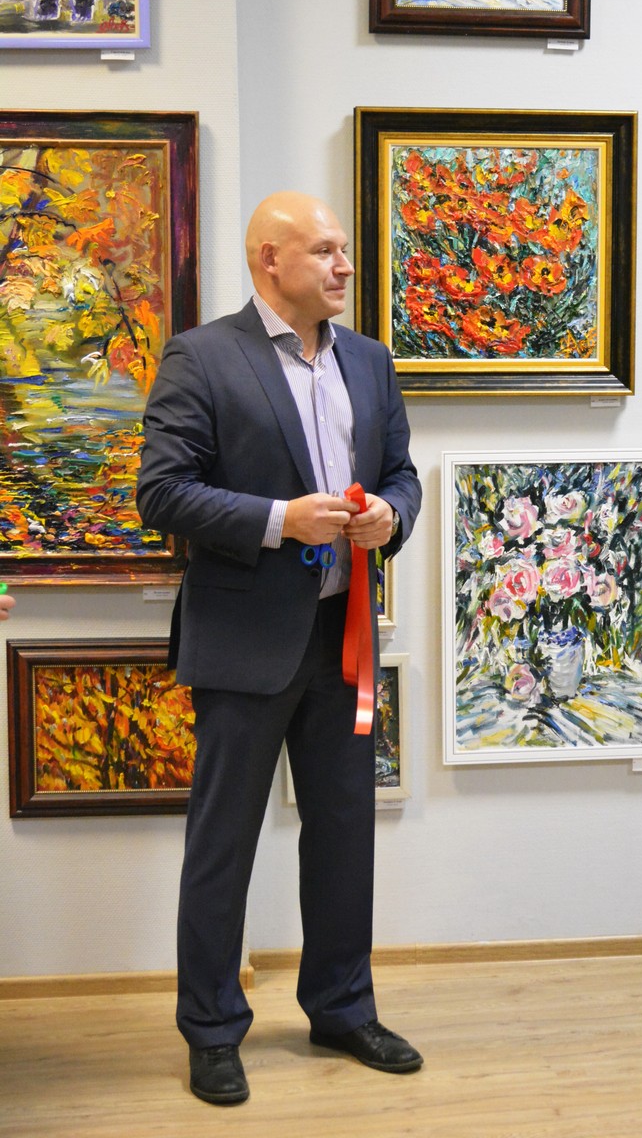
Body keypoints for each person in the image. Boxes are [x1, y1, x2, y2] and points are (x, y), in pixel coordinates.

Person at [136, 192, 423, 1106]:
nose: (345, 265)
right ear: (269, 258)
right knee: (222, 845)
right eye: (325, 250)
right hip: (243, 644)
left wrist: (391, 517)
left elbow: (402, 476)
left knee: (344, 837)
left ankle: (341, 1008)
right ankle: (212, 1029)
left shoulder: (370, 361)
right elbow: (162, 493)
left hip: (344, 641)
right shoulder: (202, 356)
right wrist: (278, 520)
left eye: (344, 250)